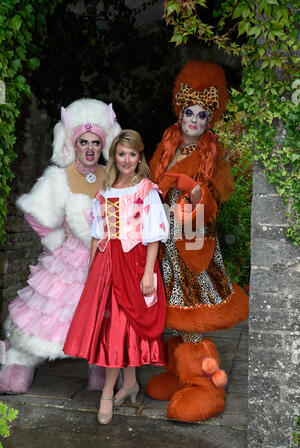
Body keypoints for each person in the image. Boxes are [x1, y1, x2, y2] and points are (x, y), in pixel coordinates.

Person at [145, 61, 249, 422]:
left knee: (194, 317)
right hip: (165, 246)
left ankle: (206, 389)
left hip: (192, 245)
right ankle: (180, 376)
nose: (193, 120)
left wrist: (195, 199)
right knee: (174, 316)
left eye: (201, 114)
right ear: (180, 110)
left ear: (209, 119)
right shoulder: (167, 142)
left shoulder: (210, 153)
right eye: (188, 111)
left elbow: (213, 202)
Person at [0, 98, 122, 394]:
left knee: (103, 316)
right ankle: (18, 364)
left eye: (96, 142)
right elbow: (35, 213)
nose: (90, 148)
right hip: (67, 261)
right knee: (47, 314)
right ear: (73, 144)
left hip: (103, 260)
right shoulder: (60, 176)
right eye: (84, 141)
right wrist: (56, 240)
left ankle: (102, 371)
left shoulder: (112, 176)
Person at [63, 129, 169, 425]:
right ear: (114, 156)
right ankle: (124, 385)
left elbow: (154, 237)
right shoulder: (106, 191)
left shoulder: (147, 190)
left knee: (130, 323)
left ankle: (112, 390)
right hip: (107, 264)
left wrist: (149, 272)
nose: (126, 159)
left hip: (134, 262)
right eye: (121, 153)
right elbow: (98, 234)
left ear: (139, 158)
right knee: (114, 326)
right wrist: (91, 273)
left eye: (132, 154)